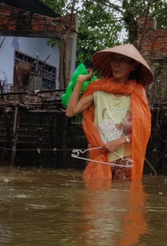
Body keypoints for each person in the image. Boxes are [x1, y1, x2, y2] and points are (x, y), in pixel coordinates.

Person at [65, 44, 153, 181]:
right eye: (114, 59)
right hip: (100, 156)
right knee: (96, 198)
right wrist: (79, 82)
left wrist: (120, 140)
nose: (116, 64)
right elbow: (71, 112)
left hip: (125, 159)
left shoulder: (136, 94)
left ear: (133, 66)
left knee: (121, 199)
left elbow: (143, 130)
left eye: (122, 60)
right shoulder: (99, 90)